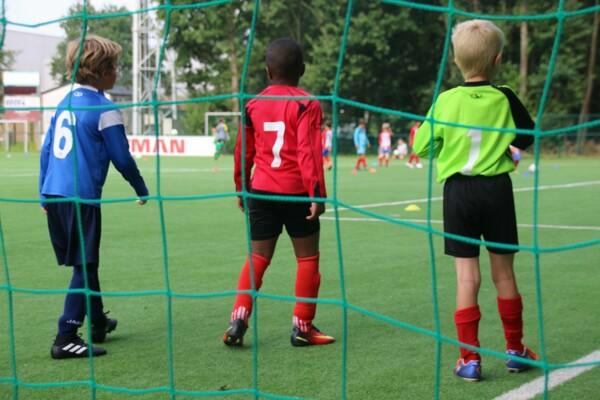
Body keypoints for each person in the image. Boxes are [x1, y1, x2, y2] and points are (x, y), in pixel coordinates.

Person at [413, 20, 536, 382]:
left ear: (455, 60)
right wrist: (509, 148)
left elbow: (422, 146)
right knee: (504, 274)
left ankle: (469, 359)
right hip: (497, 190)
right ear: (498, 60)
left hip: (458, 194)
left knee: (467, 278)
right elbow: (527, 131)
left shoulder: (446, 100)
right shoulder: (506, 96)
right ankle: (515, 351)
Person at [39, 35, 149, 359]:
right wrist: (141, 188)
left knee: (87, 262)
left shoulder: (64, 104)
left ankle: (98, 321)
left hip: (55, 193)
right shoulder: (105, 108)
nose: (118, 72)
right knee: (84, 266)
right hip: (81, 198)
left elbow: (47, 151)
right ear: (101, 72)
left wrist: (43, 195)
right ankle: (66, 335)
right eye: (114, 67)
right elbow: (122, 157)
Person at [225, 37, 335, 348]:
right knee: (308, 259)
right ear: (302, 69)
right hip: (297, 193)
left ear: (267, 71)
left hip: (260, 191)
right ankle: (303, 327)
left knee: (257, 258)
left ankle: (237, 320)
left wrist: (241, 187)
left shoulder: (253, 103)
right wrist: (317, 193)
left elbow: (242, 150)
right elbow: (307, 152)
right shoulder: (307, 103)